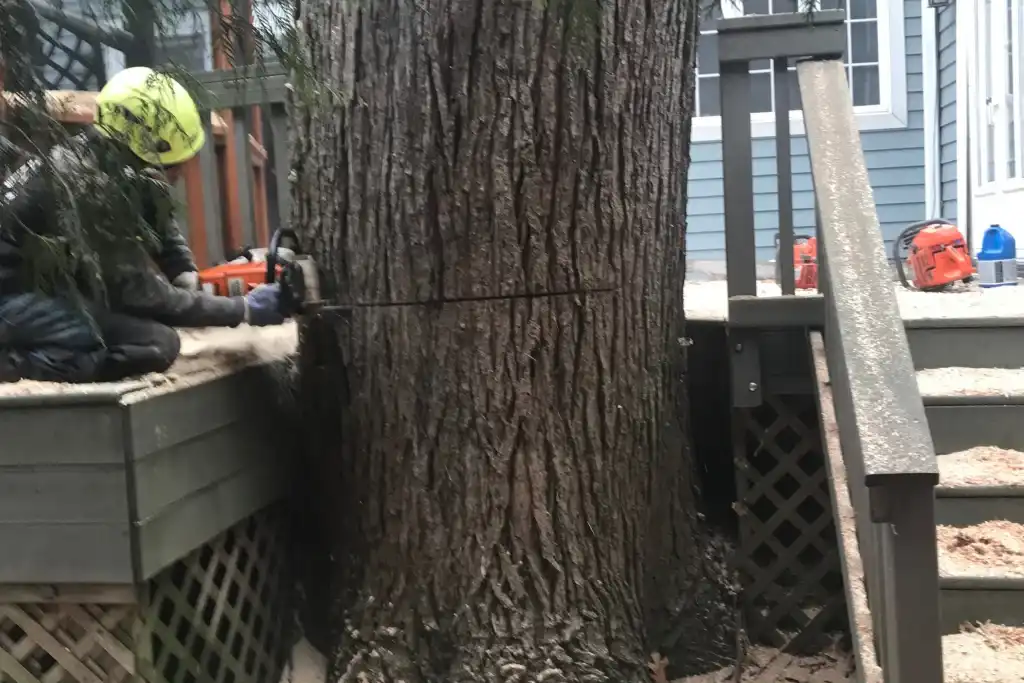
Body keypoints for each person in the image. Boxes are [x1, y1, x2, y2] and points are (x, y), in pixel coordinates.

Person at [0, 67, 286, 384]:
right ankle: (13, 364)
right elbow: (139, 293)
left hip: (34, 289)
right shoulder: (90, 189)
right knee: (154, 343)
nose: (178, 173)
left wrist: (186, 274)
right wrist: (242, 309)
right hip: (11, 302)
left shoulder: (101, 156)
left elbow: (155, 211)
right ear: (149, 151)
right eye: (175, 164)